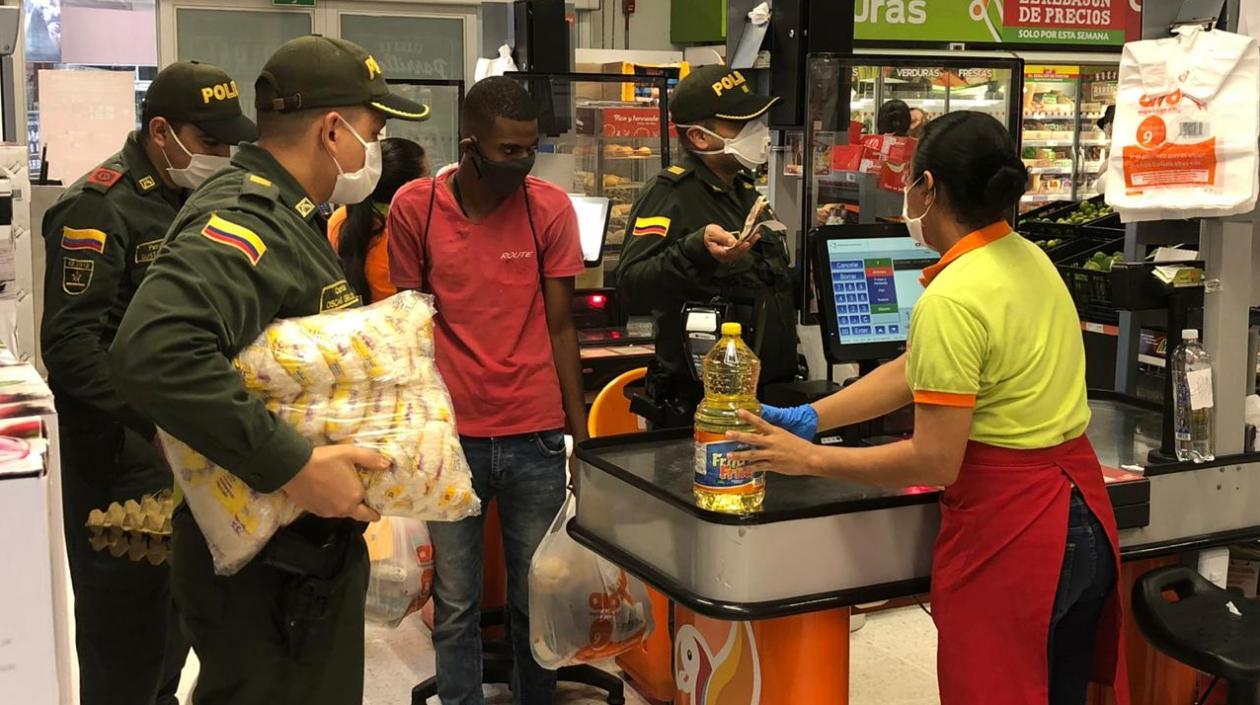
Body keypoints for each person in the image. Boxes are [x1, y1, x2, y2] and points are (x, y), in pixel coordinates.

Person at [731, 112, 1128, 705]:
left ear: (930, 187)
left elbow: (935, 460)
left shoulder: (953, 298)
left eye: (910, 179)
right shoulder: (1028, 259)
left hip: (1017, 533)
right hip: (1082, 516)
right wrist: (817, 416)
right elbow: (917, 369)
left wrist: (808, 460)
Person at [109, 36, 431, 705]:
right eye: (375, 131)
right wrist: (292, 463)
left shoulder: (290, 213)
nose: (375, 149)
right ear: (333, 130)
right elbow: (155, 349)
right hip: (270, 577)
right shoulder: (246, 214)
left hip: (296, 563)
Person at [40, 59, 256, 705]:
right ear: (161, 132)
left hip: (187, 460)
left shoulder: (201, 201)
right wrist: (158, 416)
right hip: (122, 464)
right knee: (124, 650)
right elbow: (72, 347)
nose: (222, 154)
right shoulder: (98, 206)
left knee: (175, 636)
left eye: (228, 142)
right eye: (210, 141)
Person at [387, 76, 586, 705]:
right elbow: (409, 324)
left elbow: (560, 326)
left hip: (534, 435)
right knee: (455, 603)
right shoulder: (414, 209)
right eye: (508, 150)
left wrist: (582, 438)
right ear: (469, 145)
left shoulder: (549, 208)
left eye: (530, 148)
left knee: (537, 602)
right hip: (449, 439)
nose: (521, 162)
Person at [616, 64, 797, 427]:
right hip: (700, 408)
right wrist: (693, 249)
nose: (757, 130)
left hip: (762, 399)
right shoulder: (671, 195)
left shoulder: (743, 190)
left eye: (758, 119)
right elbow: (631, 286)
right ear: (699, 137)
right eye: (741, 123)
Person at [328, 137, 427, 302]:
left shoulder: (339, 219)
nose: (431, 185)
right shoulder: (409, 234)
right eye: (426, 177)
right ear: (407, 190)